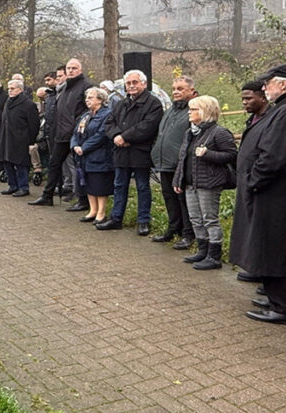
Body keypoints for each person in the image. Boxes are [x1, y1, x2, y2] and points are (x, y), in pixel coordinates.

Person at [234, 66, 286, 326]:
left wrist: (252, 181)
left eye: (268, 83)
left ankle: (285, 307)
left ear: (282, 85)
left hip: (280, 194)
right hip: (284, 192)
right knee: (277, 248)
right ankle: (277, 299)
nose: (265, 88)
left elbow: (273, 157)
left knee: (278, 248)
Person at [174, 95, 238, 269]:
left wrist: (208, 154)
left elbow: (233, 155)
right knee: (195, 218)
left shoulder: (219, 132)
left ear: (205, 111)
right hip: (190, 184)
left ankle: (214, 256)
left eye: (193, 109)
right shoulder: (190, 132)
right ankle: (203, 250)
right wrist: (178, 179)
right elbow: (183, 158)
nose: (189, 112)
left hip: (209, 183)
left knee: (209, 219)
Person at [97, 69, 163, 235]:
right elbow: (109, 124)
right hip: (120, 152)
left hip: (140, 152)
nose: (132, 86)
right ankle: (116, 218)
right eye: (128, 83)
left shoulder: (153, 103)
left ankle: (143, 221)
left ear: (144, 84)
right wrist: (116, 137)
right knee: (119, 185)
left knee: (142, 187)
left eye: (135, 82)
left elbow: (147, 127)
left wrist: (125, 137)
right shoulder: (120, 103)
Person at [30, 59, 92, 208]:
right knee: (54, 165)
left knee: (78, 167)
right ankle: (47, 195)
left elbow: (89, 111)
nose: (71, 70)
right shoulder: (63, 89)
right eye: (69, 68)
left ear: (80, 70)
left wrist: (78, 128)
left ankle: (82, 200)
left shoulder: (87, 87)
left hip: (77, 134)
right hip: (60, 134)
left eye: (74, 68)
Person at [229, 80, 272, 283]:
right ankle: (253, 266)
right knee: (248, 228)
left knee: (260, 231)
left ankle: (264, 272)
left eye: (248, 98)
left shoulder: (271, 118)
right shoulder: (253, 119)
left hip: (258, 182)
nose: (244, 103)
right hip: (246, 180)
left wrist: (254, 177)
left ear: (262, 97)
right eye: (242, 99)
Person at [151, 76, 198, 246]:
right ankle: (173, 228)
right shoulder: (171, 109)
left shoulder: (195, 108)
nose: (176, 92)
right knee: (169, 198)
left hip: (182, 164)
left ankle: (188, 233)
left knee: (183, 199)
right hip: (165, 163)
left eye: (180, 89)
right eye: (174, 89)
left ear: (191, 91)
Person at [71, 87, 115, 224]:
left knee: (99, 185)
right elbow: (75, 133)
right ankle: (93, 210)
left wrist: (84, 147)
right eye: (86, 97)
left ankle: (101, 213)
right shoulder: (86, 115)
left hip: (99, 156)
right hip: (83, 157)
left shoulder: (107, 114)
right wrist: (74, 145)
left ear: (100, 100)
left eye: (90, 97)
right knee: (89, 184)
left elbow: (101, 135)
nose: (87, 100)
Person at [0, 79, 40, 197]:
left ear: (20, 89)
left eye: (12, 88)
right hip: (6, 137)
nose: (9, 91)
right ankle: (12, 185)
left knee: (20, 164)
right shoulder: (8, 101)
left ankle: (23, 187)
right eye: (8, 89)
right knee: (7, 162)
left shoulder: (28, 104)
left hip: (20, 138)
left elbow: (34, 124)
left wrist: (31, 140)